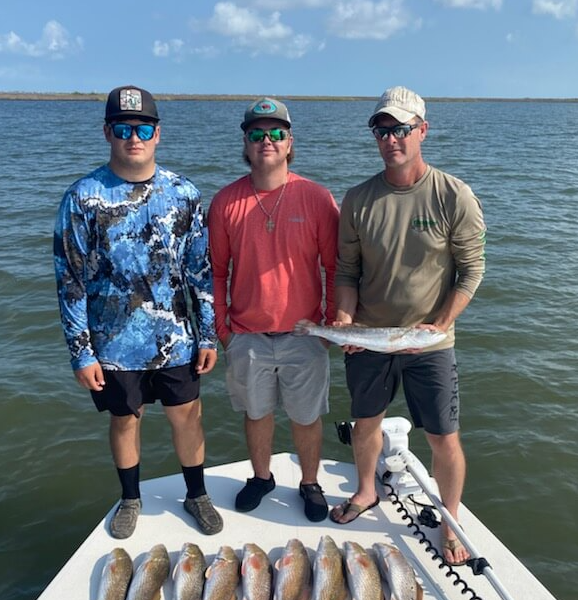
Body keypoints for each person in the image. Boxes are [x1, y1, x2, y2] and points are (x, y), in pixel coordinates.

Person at [53, 85, 223, 539]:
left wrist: (208, 335)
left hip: (178, 339)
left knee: (188, 413)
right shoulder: (83, 197)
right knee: (125, 419)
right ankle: (130, 498)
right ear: (108, 132)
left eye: (143, 127)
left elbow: (201, 272)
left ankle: (197, 494)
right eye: (124, 128)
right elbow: (69, 280)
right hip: (113, 344)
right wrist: (81, 353)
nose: (134, 137)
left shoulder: (184, 193)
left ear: (157, 134)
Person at [331, 86, 486, 567]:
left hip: (431, 342)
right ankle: (364, 491)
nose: (391, 138)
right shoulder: (358, 199)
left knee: (444, 437)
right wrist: (344, 318)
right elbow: (346, 272)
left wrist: (438, 323)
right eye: (382, 130)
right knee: (365, 424)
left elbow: (472, 269)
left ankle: (451, 520)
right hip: (370, 336)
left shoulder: (452, 194)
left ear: (422, 130)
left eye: (400, 129)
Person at [208, 97, 339, 522]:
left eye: (276, 133)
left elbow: (335, 267)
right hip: (246, 334)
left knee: (306, 416)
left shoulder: (317, 198)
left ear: (290, 143)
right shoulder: (225, 202)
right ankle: (261, 477)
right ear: (245, 144)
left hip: (305, 333)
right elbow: (216, 272)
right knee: (256, 412)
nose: (267, 140)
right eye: (257, 134)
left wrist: (331, 325)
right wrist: (222, 329)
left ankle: (310, 482)